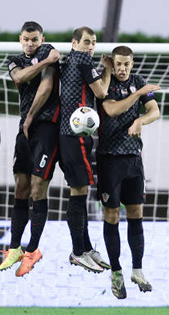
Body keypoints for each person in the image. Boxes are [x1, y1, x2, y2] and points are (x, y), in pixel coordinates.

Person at [97, 46, 161, 299]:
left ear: (132, 64)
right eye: (118, 64)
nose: (122, 69)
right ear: (112, 63)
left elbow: (155, 111)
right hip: (108, 159)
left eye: (126, 64)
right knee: (112, 215)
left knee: (136, 213)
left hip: (134, 159)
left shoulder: (138, 82)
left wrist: (140, 121)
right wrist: (139, 96)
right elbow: (112, 110)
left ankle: (137, 269)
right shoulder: (104, 83)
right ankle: (115, 271)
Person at [0, 21, 61, 276]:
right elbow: (19, 77)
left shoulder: (49, 50)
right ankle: (14, 247)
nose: (30, 43)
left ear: (42, 38)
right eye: (26, 39)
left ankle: (32, 249)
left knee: (37, 188)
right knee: (21, 186)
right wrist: (45, 62)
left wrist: (32, 115)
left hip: (46, 128)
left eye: (35, 39)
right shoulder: (16, 60)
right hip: (25, 128)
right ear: (20, 39)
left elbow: (46, 87)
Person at [59, 26, 111, 272]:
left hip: (68, 134)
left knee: (80, 192)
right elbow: (101, 92)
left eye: (94, 43)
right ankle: (78, 251)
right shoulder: (82, 61)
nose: (91, 47)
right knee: (79, 193)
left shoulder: (70, 61)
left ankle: (86, 247)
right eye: (87, 42)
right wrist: (108, 70)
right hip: (75, 135)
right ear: (74, 43)